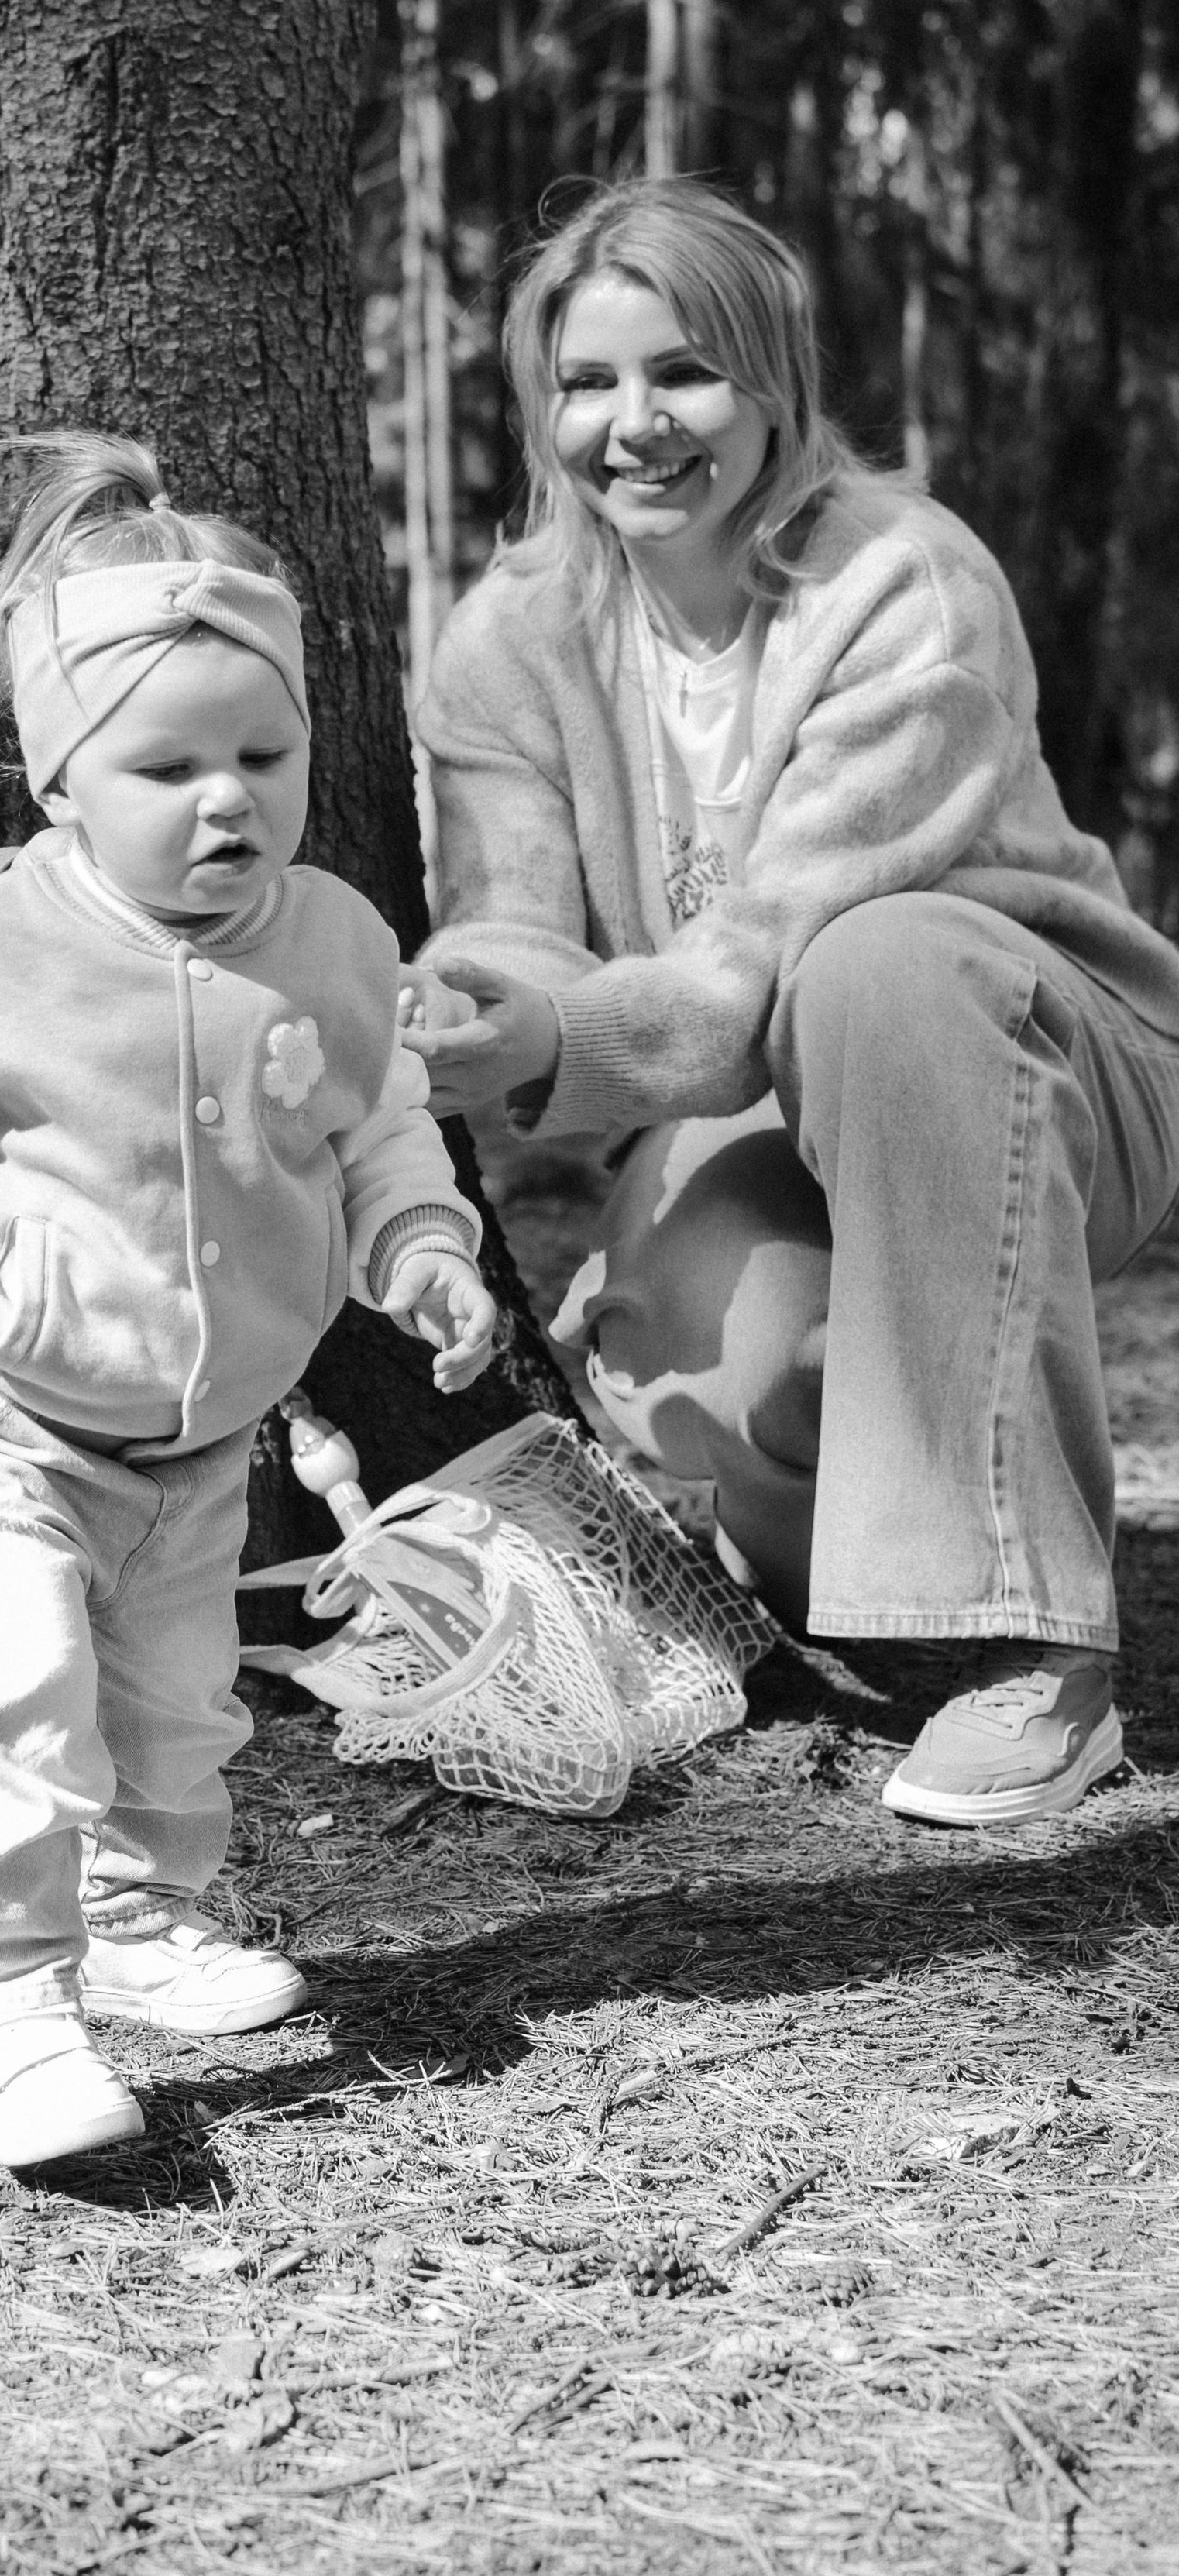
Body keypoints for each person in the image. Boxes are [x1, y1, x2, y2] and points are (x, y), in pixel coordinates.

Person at [0, 435, 497, 2169]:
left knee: (173, 1709)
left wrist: (420, 1253)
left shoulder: (333, 941)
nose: (227, 800)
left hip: (199, 1430)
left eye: (263, 753)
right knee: (15, 1686)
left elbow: (377, 1123)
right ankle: (8, 2003)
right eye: (165, 766)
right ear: (63, 782)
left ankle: (142, 1922)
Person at [404, 177, 1179, 1829]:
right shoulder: (505, 640)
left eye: (680, 373)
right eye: (584, 384)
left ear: (770, 383)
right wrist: (474, 1009)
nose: (633, 425)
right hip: (763, 1101)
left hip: (1042, 1064)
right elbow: (519, 925)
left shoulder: (901, 581)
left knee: (875, 960)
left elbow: (760, 962)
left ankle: (1040, 1650)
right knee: (693, 1362)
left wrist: (565, 1042)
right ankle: (867, 1552)